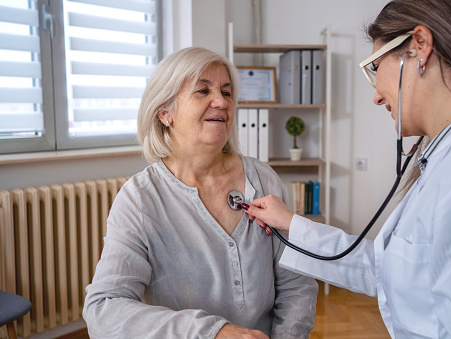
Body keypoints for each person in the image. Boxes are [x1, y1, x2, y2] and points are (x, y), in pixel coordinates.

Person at [244, 0, 451, 338]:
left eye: (374, 66)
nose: (377, 97)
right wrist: (290, 223)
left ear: (420, 48)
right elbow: (384, 269)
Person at [83, 47, 318, 339]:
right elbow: (104, 309)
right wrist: (212, 333)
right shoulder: (139, 199)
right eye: (202, 91)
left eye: (227, 92)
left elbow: (297, 284)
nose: (220, 101)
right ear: (165, 112)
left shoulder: (264, 179)